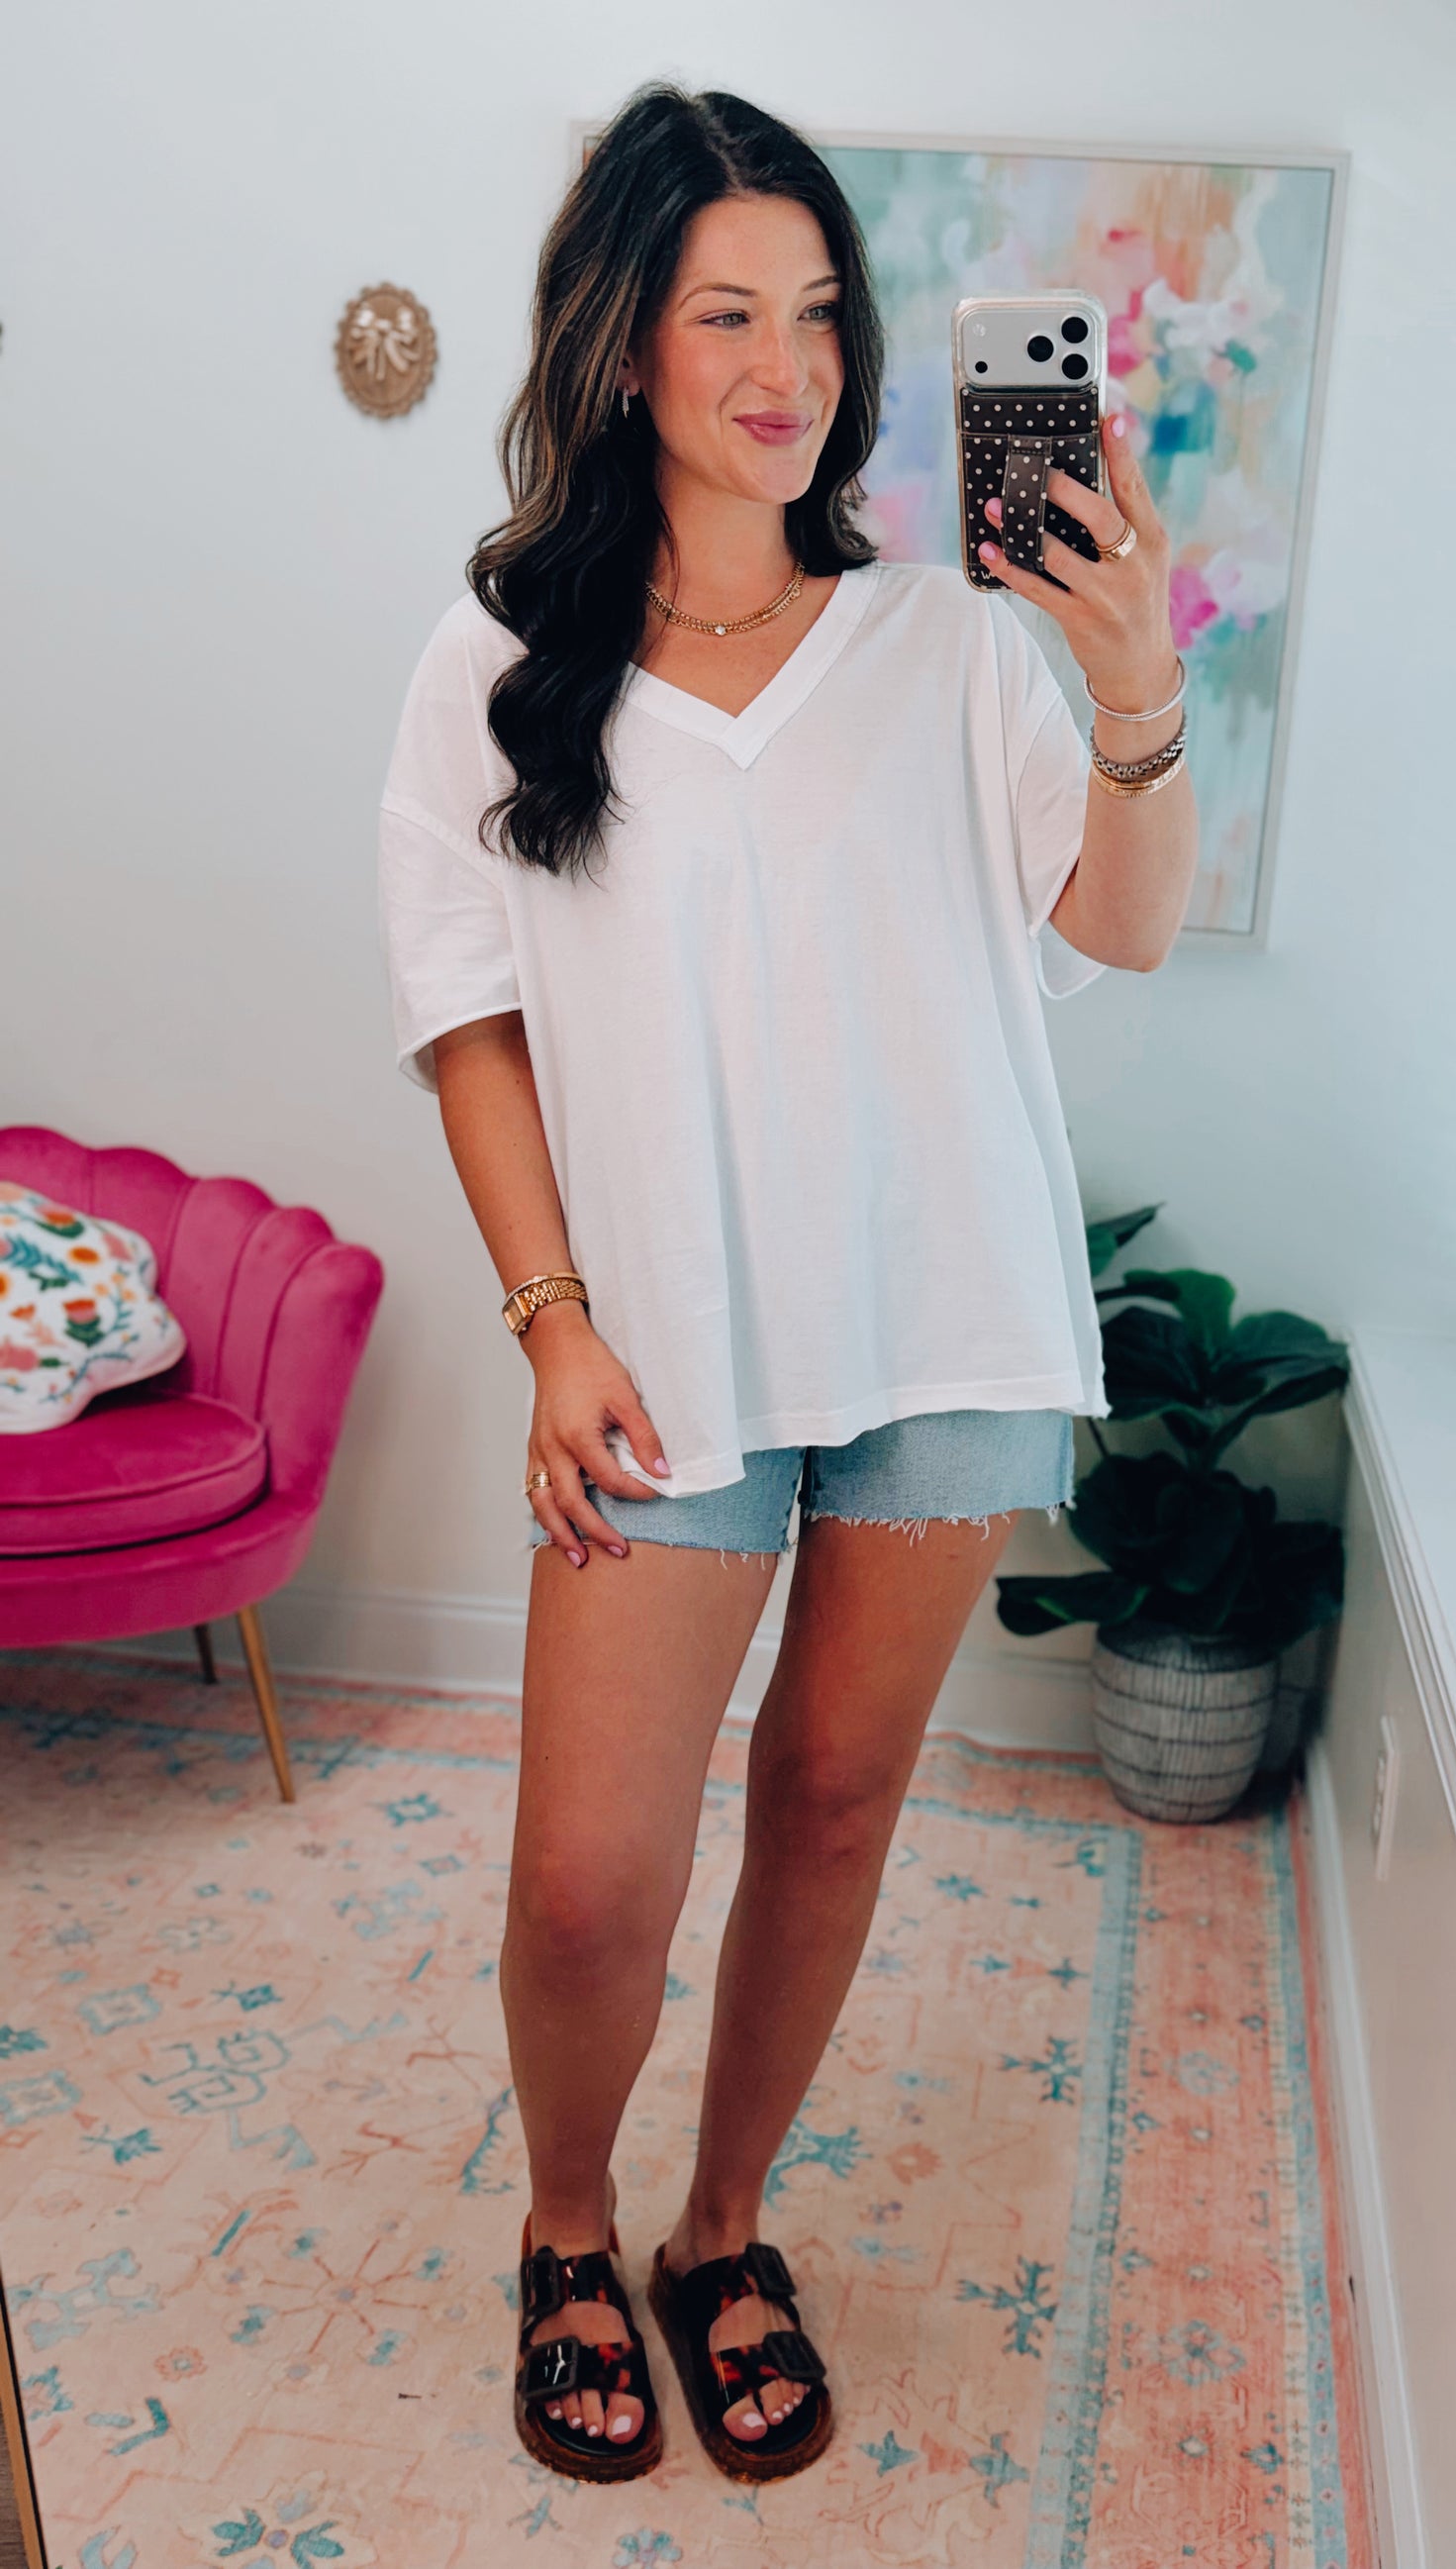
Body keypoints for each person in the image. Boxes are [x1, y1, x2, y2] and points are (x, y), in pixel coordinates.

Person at [376, 79, 1196, 2489]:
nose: (786, 364)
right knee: (587, 1878)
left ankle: (720, 2226)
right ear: (624, 340)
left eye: (819, 311)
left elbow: (1121, 927)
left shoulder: (951, 642)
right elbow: (465, 1012)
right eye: (726, 311)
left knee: (832, 1798)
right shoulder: (499, 656)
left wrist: (1132, 685)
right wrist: (550, 1316)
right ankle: (563, 2223)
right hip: (664, 1345)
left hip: (944, 1315)